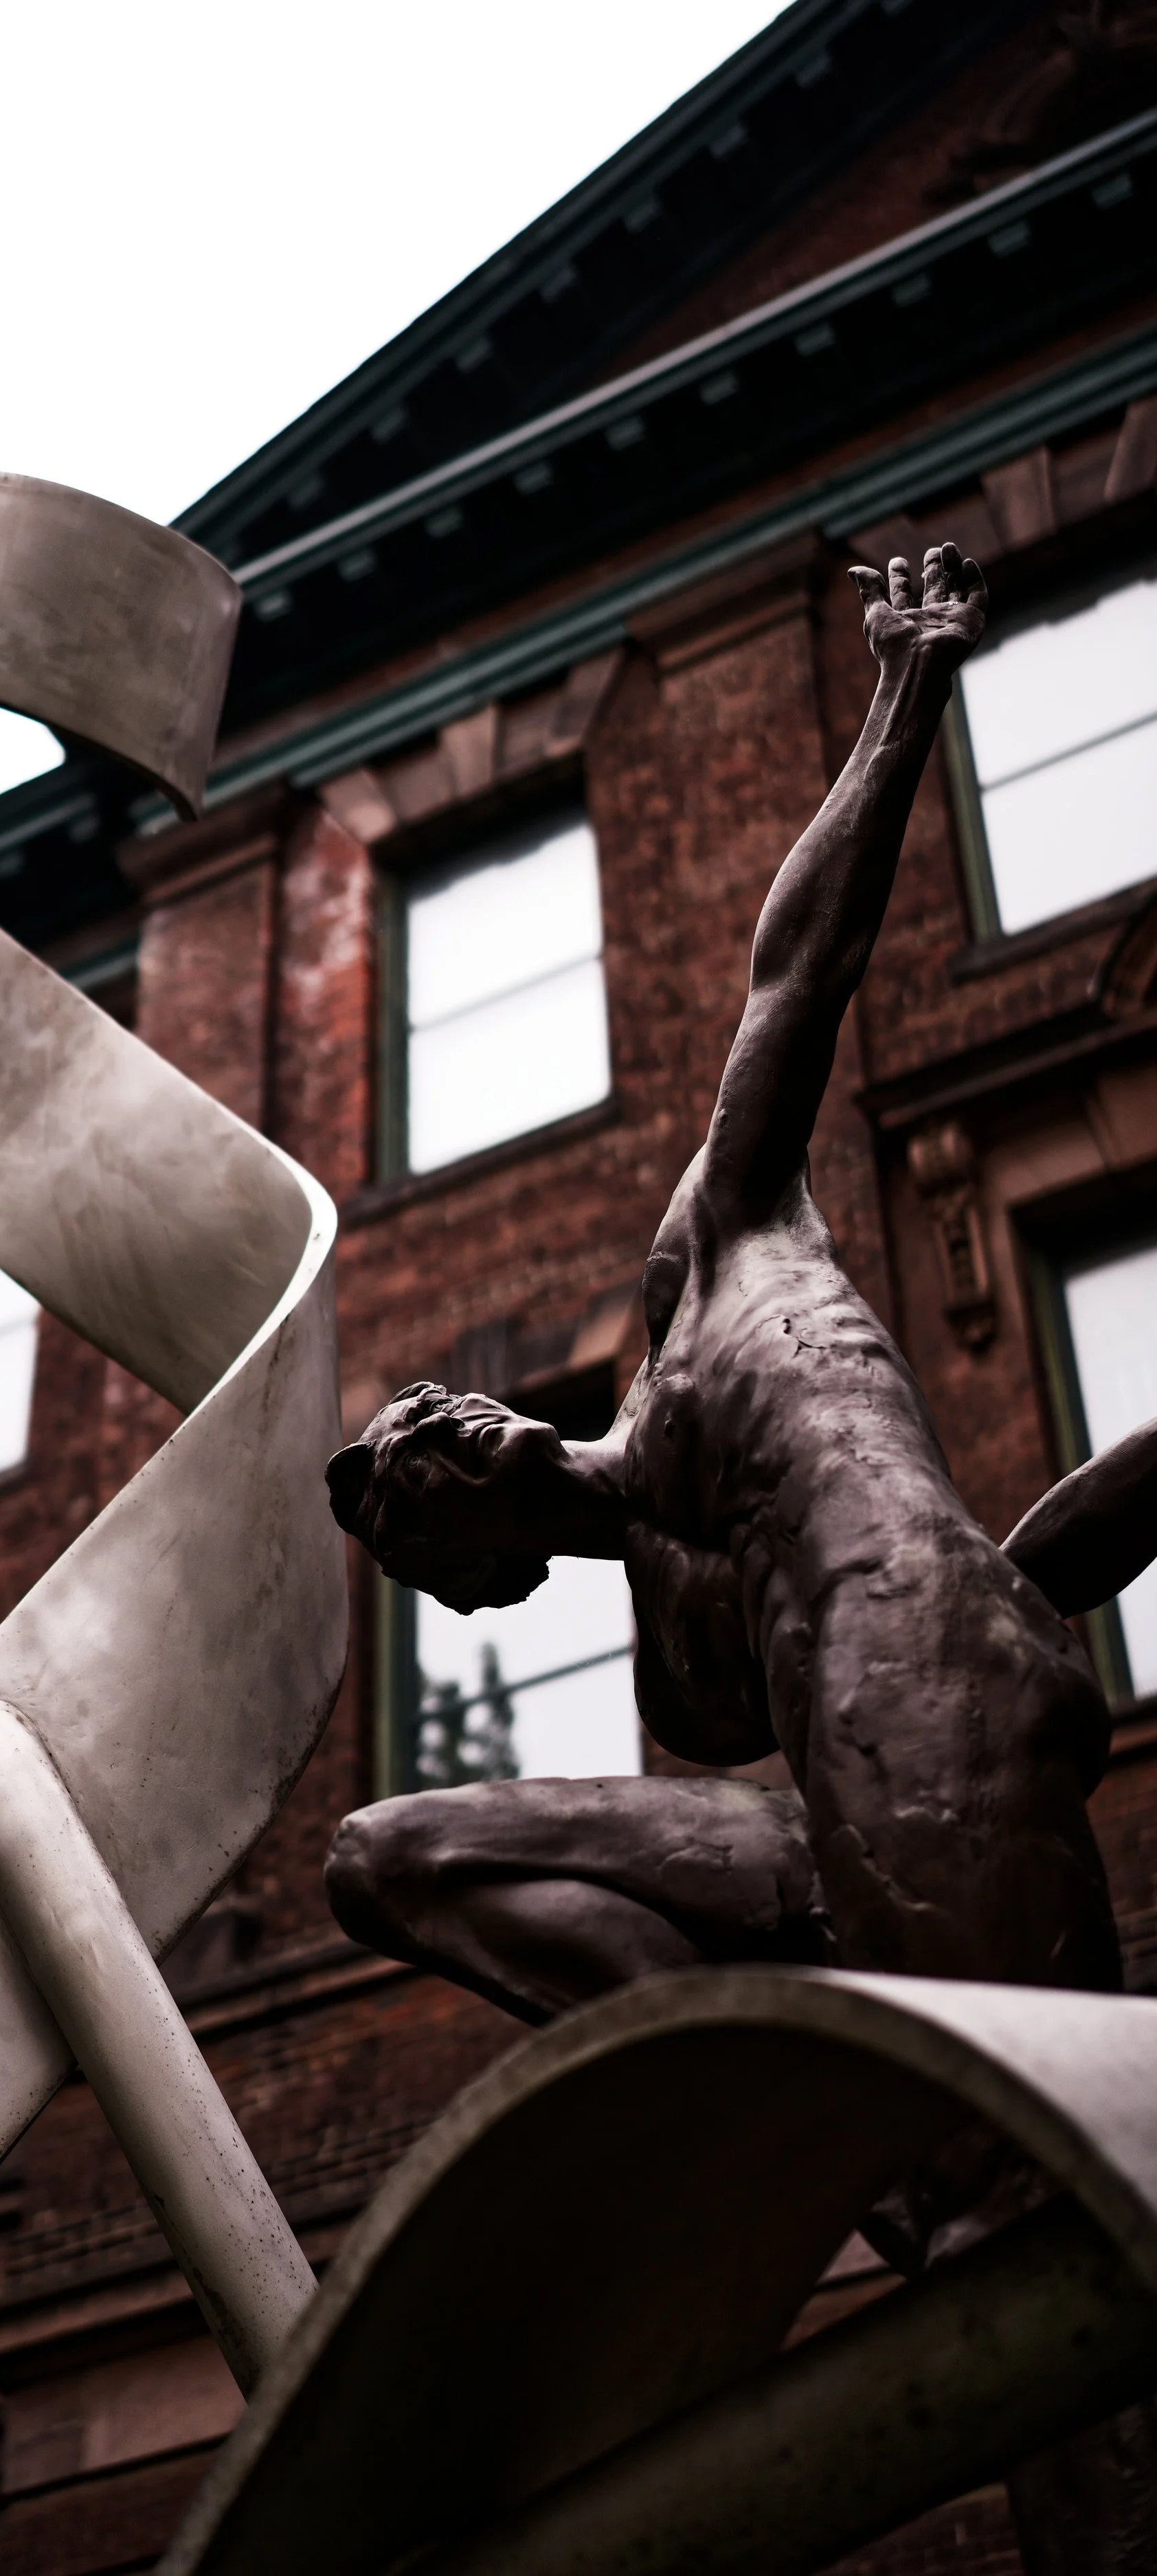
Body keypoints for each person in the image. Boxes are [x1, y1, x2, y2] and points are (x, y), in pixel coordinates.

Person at [326, 545, 1151, 2043]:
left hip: (941, 1705)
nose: (432, 1426)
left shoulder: (714, 1270)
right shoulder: (681, 1675)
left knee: (1026, 2136)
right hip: (843, 1808)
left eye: (428, 1413)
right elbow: (1024, 1577)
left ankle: (819, 2094)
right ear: (470, 1581)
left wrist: (904, 688)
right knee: (384, 1857)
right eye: (409, 1477)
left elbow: (797, 979)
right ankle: (734, 2086)